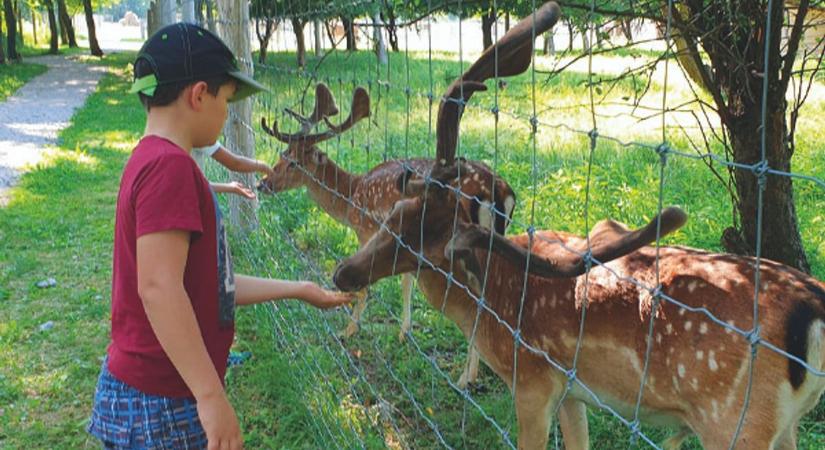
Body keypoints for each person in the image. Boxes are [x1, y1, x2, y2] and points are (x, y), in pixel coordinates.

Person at [87, 23, 354, 450]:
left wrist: (300, 289)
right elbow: (158, 287)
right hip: (163, 402)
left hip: (155, 392)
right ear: (198, 95)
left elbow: (212, 286)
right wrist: (211, 396)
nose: (227, 114)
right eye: (227, 100)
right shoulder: (169, 168)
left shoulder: (150, 159)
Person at [194, 140, 274, 199]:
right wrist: (262, 166)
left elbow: (194, 186)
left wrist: (230, 187)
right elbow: (235, 164)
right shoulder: (200, 133)